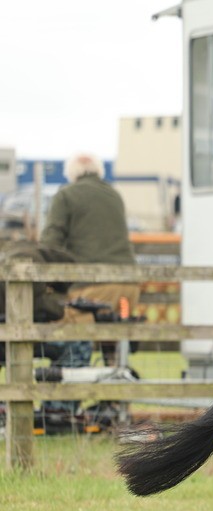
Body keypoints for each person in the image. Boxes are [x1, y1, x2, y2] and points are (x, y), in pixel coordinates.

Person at [38, 153, 137, 418]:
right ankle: (115, 404)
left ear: (72, 173)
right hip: (128, 285)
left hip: (92, 286)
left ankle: (61, 408)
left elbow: (50, 244)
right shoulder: (113, 195)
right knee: (113, 344)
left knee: (73, 340)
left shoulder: (66, 195)